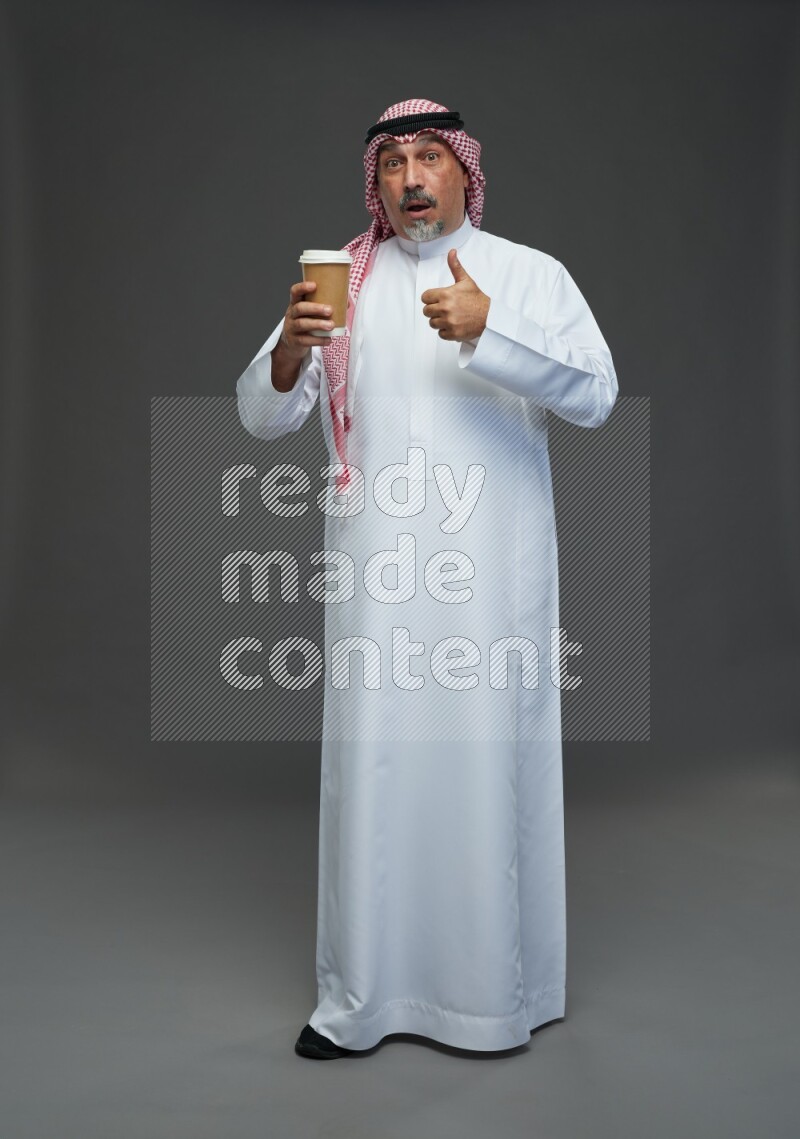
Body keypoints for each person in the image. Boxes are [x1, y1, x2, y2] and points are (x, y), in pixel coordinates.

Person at [236, 98, 618, 1060]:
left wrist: (493, 331)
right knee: (372, 772)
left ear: (463, 171)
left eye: (430, 157)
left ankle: (494, 999)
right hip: (374, 579)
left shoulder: (527, 274)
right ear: (375, 181)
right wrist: (292, 347)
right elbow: (262, 418)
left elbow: (597, 395)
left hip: (490, 580)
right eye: (393, 161)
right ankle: (358, 1000)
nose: (411, 178)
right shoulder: (343, 282)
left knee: (484, 770)